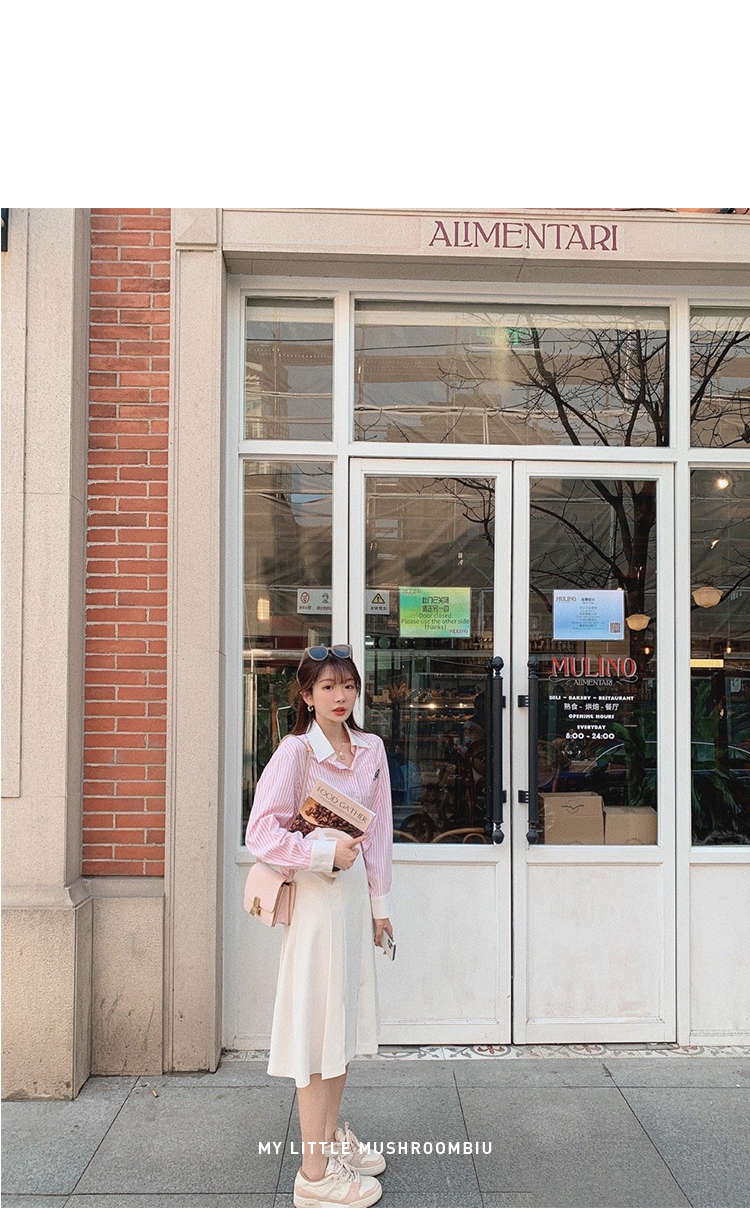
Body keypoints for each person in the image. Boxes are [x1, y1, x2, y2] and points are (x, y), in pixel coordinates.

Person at [245, 644, 394, 1208]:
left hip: (350, 903)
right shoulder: (296, 753)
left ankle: (329, 1143)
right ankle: (313, 1175)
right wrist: (319, 852)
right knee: (315, 1029)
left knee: (341, 1024)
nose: (340, 696)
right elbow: (261, 833)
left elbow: (379, 834)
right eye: (328, 687)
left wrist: (380, 907)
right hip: (313, 903)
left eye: (348, 686)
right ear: (307, 696)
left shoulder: (371, 749)